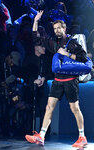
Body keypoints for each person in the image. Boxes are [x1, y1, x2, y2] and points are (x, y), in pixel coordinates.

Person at [25, 11, 88, 148]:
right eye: (54, 28)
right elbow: (36, 37)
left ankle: (82, 137)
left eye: (59, 28)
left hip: (71, 80)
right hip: (57, 81)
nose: (57, 30)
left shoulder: (72, 43)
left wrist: (68, 54)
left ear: (64, 29)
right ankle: (41, 136)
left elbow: (84, 58)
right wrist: (36, 21)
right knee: (49, 107)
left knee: (75, 108)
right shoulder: (52, 42)